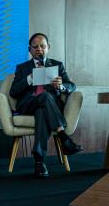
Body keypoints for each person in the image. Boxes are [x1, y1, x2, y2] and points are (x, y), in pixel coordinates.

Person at [10, 32, 81, 178]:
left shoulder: (57, 65)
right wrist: (30, 78)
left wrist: (61, 87)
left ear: (48, 47)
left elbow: (71, 86)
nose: (39, 49)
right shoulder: (22, 68)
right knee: (43, 97)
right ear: (29, 50)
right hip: (28, 104)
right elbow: (13, 92)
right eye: (35, 47)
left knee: (42, 111)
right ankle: (62, 135)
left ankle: (39, 161)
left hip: (47, 107)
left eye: (42, 46)